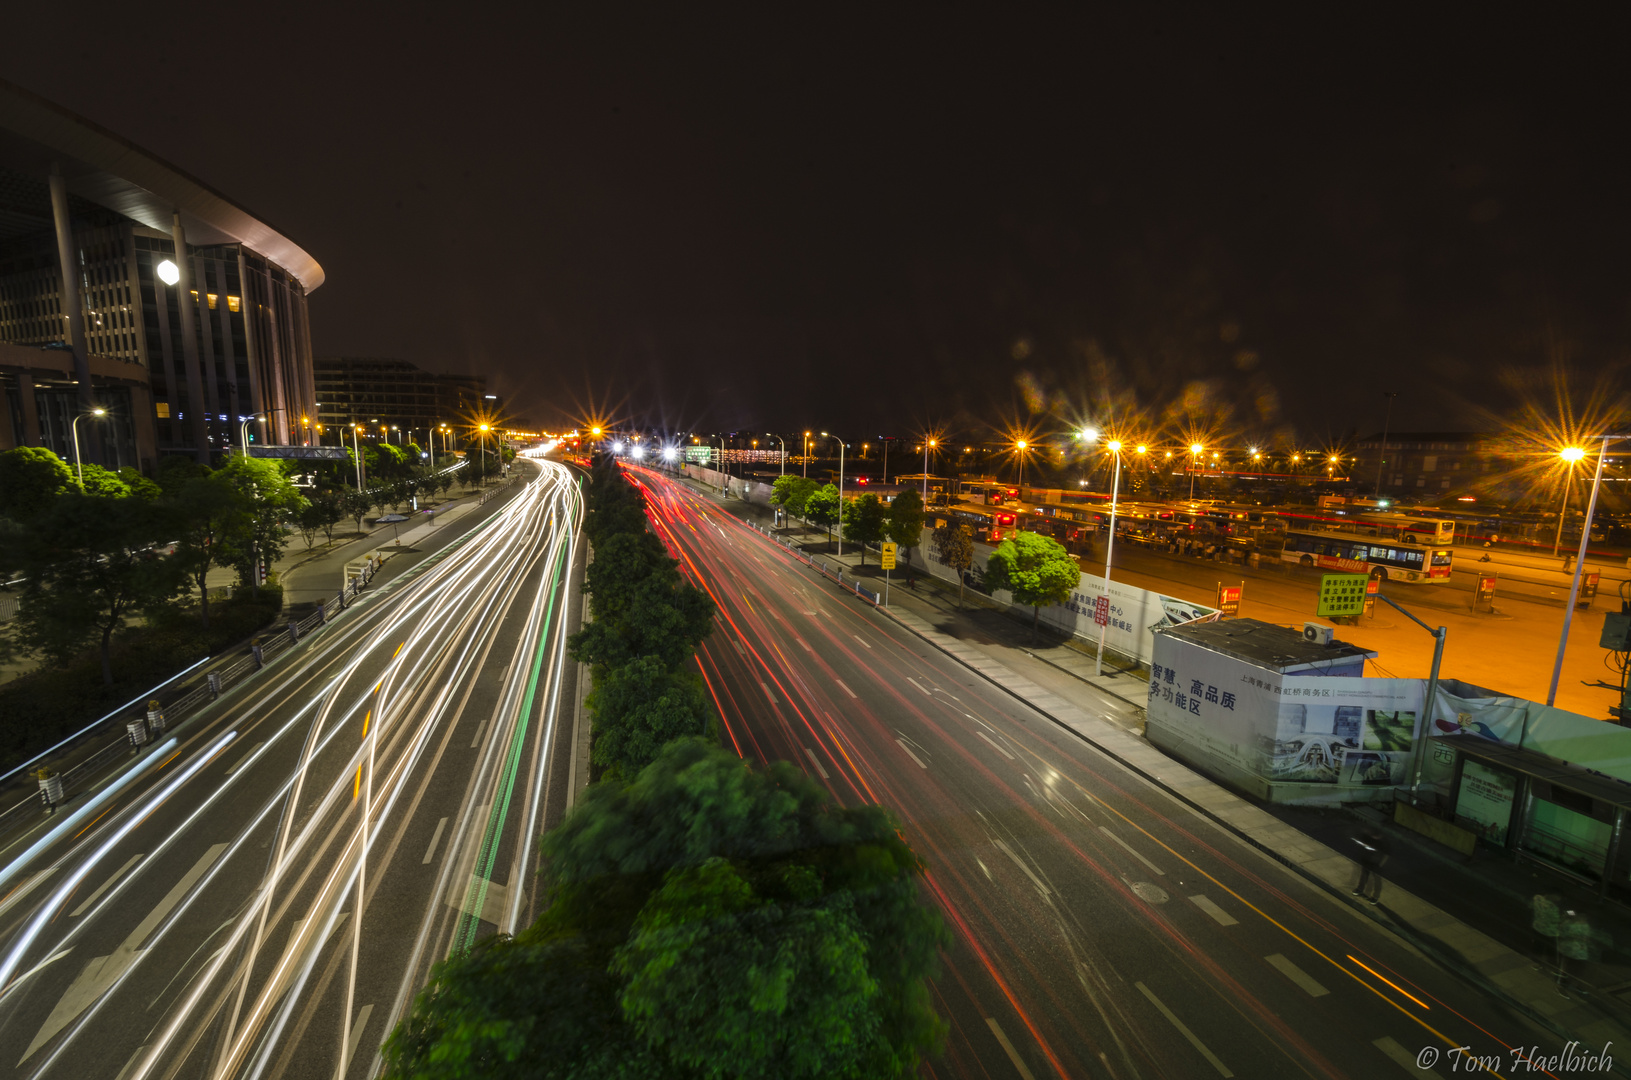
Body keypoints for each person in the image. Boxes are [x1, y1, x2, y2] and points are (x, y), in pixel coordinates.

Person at [1351, 826, 1389, 904]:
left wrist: (1380, 864)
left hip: (1376, 864)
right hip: (1367, 861)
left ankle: (1375, 897)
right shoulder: (1371, 839)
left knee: (1377, 880)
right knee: (1364, 875)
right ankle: (1360, 889)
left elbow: (1385, 855)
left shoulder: (1382, 843)